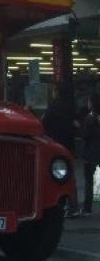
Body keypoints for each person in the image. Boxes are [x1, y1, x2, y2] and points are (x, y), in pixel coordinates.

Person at [42, 83, 80, 216]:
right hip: (69, 145)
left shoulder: (52, 108)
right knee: (71, 177)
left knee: (54, 177)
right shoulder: (70, 108)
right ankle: (73, 206)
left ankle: (57, 204)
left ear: (57, 92)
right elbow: (76, 126)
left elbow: (43, 125)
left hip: (56, 146)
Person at [81, 92, 100, 216]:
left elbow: (85, 136)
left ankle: (87, 208)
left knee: (89, 181)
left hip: (91, 153)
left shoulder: (89, 118)